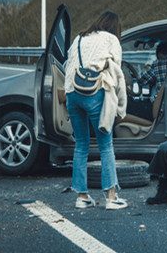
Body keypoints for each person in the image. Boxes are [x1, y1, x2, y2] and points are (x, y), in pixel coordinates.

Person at [64, 11, 128, 210]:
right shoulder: (111, 40)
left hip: (72, 92)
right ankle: (111, 197)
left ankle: (82, 197)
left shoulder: (79, 39)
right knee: (105, 146)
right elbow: (116, 69)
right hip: (94, 92)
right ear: (114, 28)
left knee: (81, 145)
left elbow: (68, 64)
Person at [137, 42, 167, 119]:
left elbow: (142, 80)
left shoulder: (159, 63)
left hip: (159, 107)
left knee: (130, 108)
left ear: (160, 54)